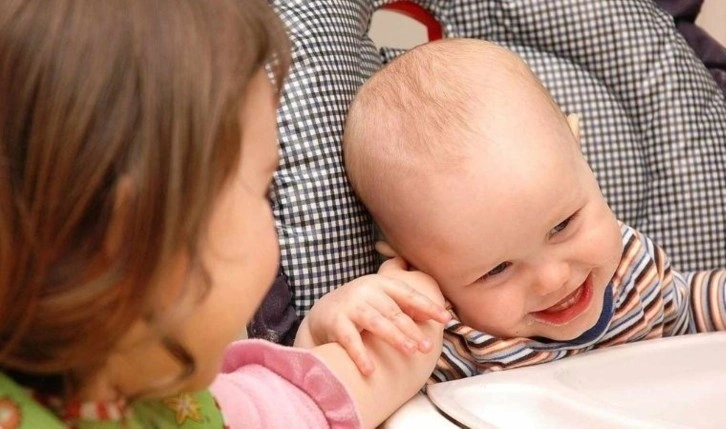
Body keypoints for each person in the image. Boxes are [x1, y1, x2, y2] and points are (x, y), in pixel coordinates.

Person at [0, 1, 450, 428]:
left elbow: (309, 403)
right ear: (136, 241)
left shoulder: (171, 397)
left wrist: (379, 318)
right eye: (263, 190)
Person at [339, 38, 726, 383]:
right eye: (497, 269)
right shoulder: (447, 342)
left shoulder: (633, 270)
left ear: (581, 154)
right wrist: (335, 321)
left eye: (562, 225)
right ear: (413, 266)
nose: (552, 279)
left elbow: (688, 310)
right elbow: (344, 397)